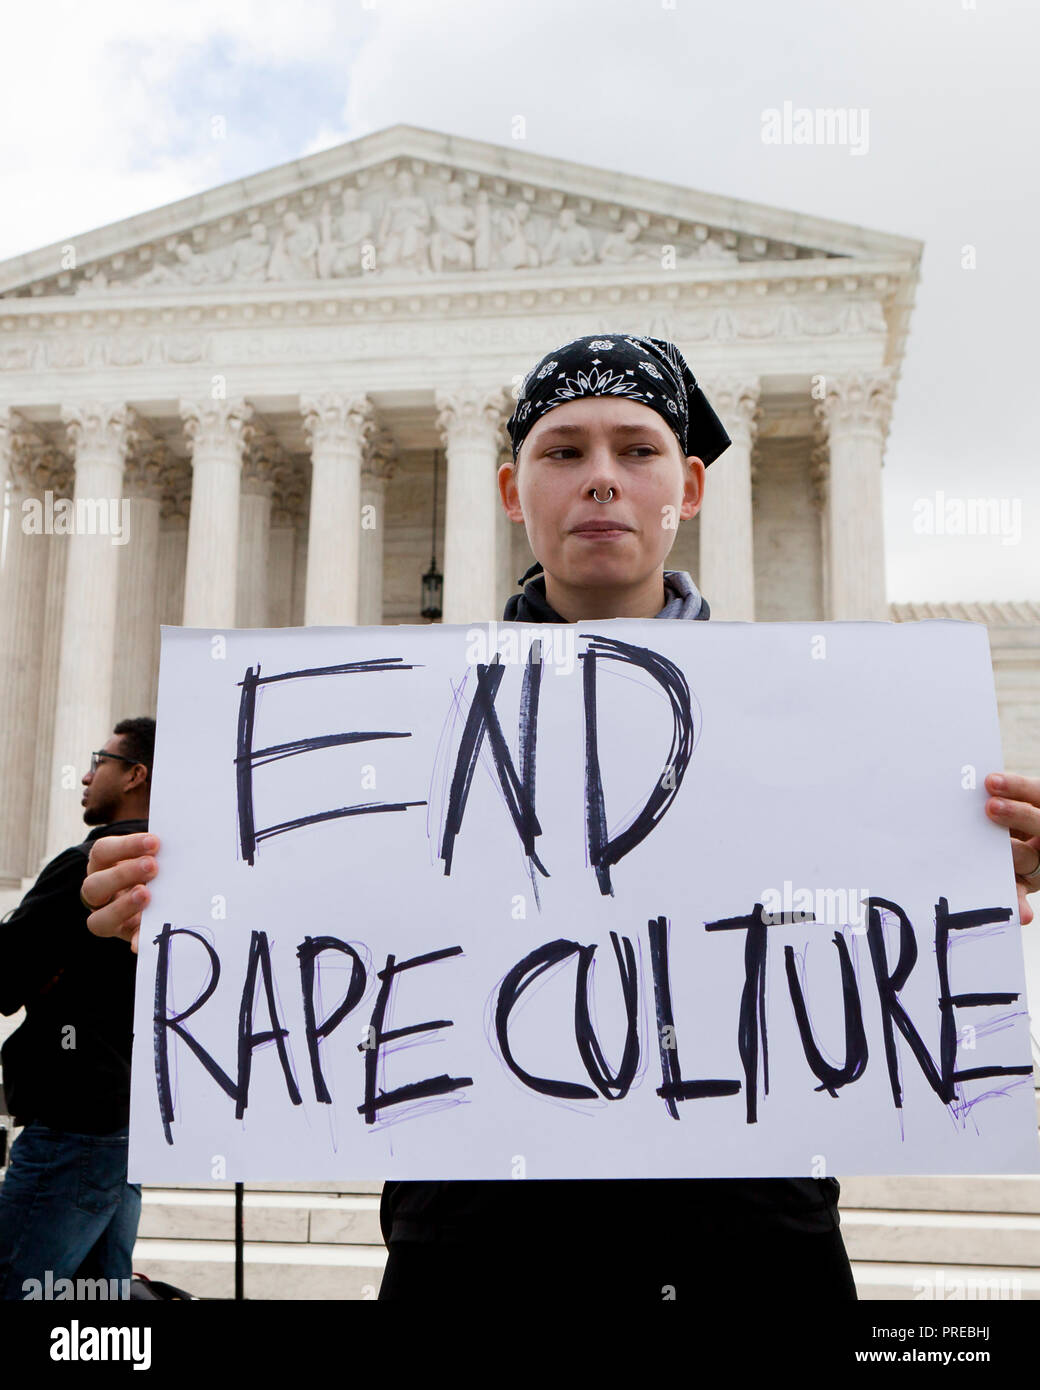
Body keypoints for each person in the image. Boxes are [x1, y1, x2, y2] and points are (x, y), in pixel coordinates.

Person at [78, 336, 1040, 1305]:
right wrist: (187, 916)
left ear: (690, 486)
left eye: (636, 449)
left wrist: (969, 864)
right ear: (509, 490)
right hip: (477, 1241)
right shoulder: (408, 733)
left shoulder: (825, 733)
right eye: (563, 451)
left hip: (746, 1237)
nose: (601, 481)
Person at [0, 718, 155, 1300]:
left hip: (70, 1124)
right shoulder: (172, 874)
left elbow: (5, 975)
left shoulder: (88, 865)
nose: (87, 776)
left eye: (102, 760)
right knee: (97, 1311)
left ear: (136, 775)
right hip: (122, 1124)